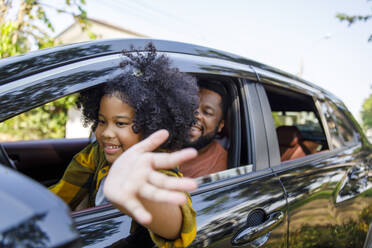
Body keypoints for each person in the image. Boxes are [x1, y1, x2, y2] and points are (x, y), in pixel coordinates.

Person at [50, 43, 199, 247]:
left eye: (120, 123)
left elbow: (179, 228)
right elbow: (61, 195)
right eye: (102, 121)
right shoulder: (96, 154)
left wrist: (137, 190)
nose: (106, 133)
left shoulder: (155, 169)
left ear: (150, 127)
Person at [180, 80, 228, 178]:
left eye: (207, 112)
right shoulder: (166, 140)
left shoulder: (217, 167)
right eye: (192, 107)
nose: (196, 114)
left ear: (220, 125)